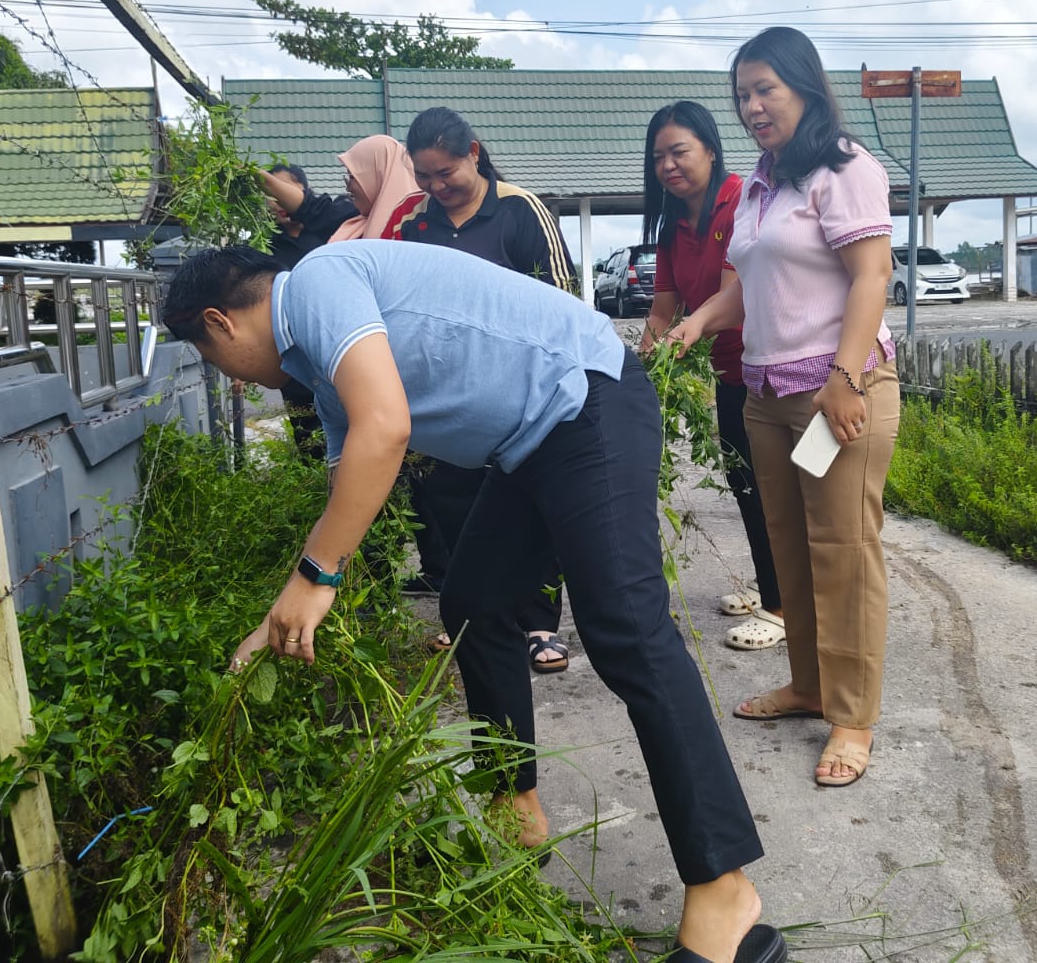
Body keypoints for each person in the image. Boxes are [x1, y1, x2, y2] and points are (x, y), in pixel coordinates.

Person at [161, 242, 784, 963]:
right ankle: (515, 804)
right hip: (532, 442)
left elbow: (386, 427)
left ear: (221, 322)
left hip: (588, 400)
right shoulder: (318, 366)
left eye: (212, 360)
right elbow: (351, 487)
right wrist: (282, 612)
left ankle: (724, 887)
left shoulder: (319, 286)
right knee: (475, 602)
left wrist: (315, 576)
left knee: (627, 632)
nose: (229, 380)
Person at [670, 26, 900, 789]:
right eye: (742, 95)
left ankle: (853, 716)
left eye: (765, 88)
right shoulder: (765, 182)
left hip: (832, 396)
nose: (753, 106)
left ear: (804, 84)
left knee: (843, 550)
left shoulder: (844, 168)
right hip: (768, 397)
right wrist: (700, 321)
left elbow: (871, 275)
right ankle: (808, 685)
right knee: (792, 546)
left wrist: (844, 376)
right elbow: (750, 286)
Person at [394, 107, 573, 673]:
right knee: (458, 508)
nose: (436, 186)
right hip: (451, 396)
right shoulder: (414, 228)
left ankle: (540, 623)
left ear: (474, 153)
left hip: (521, 392)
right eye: (424, 177)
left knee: (530, 506)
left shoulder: (520, 211)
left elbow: (560, 297)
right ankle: (472, 622)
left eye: (445, 172)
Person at [637, 101, 783, 652]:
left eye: (679, 151)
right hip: (726, 373)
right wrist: (647, 357)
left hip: (764, 369)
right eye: (658, 157)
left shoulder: (738, 204)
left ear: (711, 151)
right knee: (744, 483)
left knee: (769, 488)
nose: (668, 166)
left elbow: (732, 298)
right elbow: (662, 308)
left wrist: (688, 329)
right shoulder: (674, 225)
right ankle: (771, 587)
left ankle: (780, 604)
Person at [255, 162, 357, 455]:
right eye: (272, 198)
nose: (280, 203)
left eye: (286, 192)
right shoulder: (266, 245)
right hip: (295, 361)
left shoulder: (337, 229)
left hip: (336, 350)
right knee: (309, 441)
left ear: (303, 192)